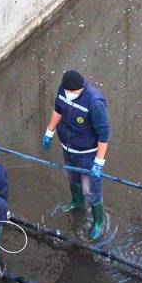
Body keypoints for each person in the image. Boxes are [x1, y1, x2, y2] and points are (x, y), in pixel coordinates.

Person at [42, 70, 109, 240]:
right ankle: (77, 203)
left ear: (79, 90)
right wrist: (50, 131)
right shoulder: (64, 89)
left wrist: (99, 162)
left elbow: (103, 134)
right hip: (68, 148)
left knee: (90, 189)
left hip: (86, 154)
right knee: (72, 178)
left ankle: (98, 222)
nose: (67, 94)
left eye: (71, 93)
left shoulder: (94, 102)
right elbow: (58, 109)